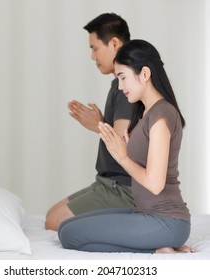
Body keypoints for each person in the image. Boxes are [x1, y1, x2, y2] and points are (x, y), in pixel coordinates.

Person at [58, 39, 192, 253]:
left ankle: (158, 248)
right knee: (65, 227)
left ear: (145, 74)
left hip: (166, 221)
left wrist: (122, 157)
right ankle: (160, 244)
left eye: (123, 78)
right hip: (145, 213)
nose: (120, 87)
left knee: (70, 236)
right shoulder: (145, 113)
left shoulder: (161, 116)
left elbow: (155, 184)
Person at [45, 13, 134, 231]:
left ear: (114, 43)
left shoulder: (127, 86)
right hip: (106, 182)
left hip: (122, 188)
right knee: (50, 216)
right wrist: (102, 122)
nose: (93, 57)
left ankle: (135, 225)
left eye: (95, 48)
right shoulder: (118, 84)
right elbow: (124, 130)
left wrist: (98, 125)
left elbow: (123, 144)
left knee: (54, 222)